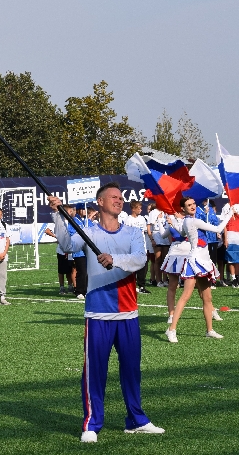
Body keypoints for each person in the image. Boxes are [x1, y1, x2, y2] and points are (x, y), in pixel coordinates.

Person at [48, 183, 164, 443]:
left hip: (128, 313)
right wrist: (57, 214)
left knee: (132, 370)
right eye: (113, 197)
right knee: (94, 372)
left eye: (121, 197)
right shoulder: (88, 232)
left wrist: (115, 259)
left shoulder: (133, 232)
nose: (119, 201)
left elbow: (139, 260)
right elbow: (66, 244)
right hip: (98, 313)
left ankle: (137, 419)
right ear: (99, 202)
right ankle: (91, 423)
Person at [166, 196, 233, 341]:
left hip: (204, 260)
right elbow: (217, 229)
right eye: (188, 205)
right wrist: (230, 213)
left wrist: (174, 225)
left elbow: (183, 234)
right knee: (186, 296)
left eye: (193, 203)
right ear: (183, 209)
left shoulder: (187, 221)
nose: (192, 206)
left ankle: (209, 330)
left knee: (207, 298)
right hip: (195, 260)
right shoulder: (193, 220)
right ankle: (172, 329)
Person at [123, 201, 151, 294]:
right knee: (132, 266)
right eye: (138, 208)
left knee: (143, 266)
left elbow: (144, 231)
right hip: (132, 246)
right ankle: (132, 284)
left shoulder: (142, 219)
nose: (140, 210)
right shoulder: (128, 219)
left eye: (141, 208)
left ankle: (141, 285)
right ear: (133, 209)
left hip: (141, 246)